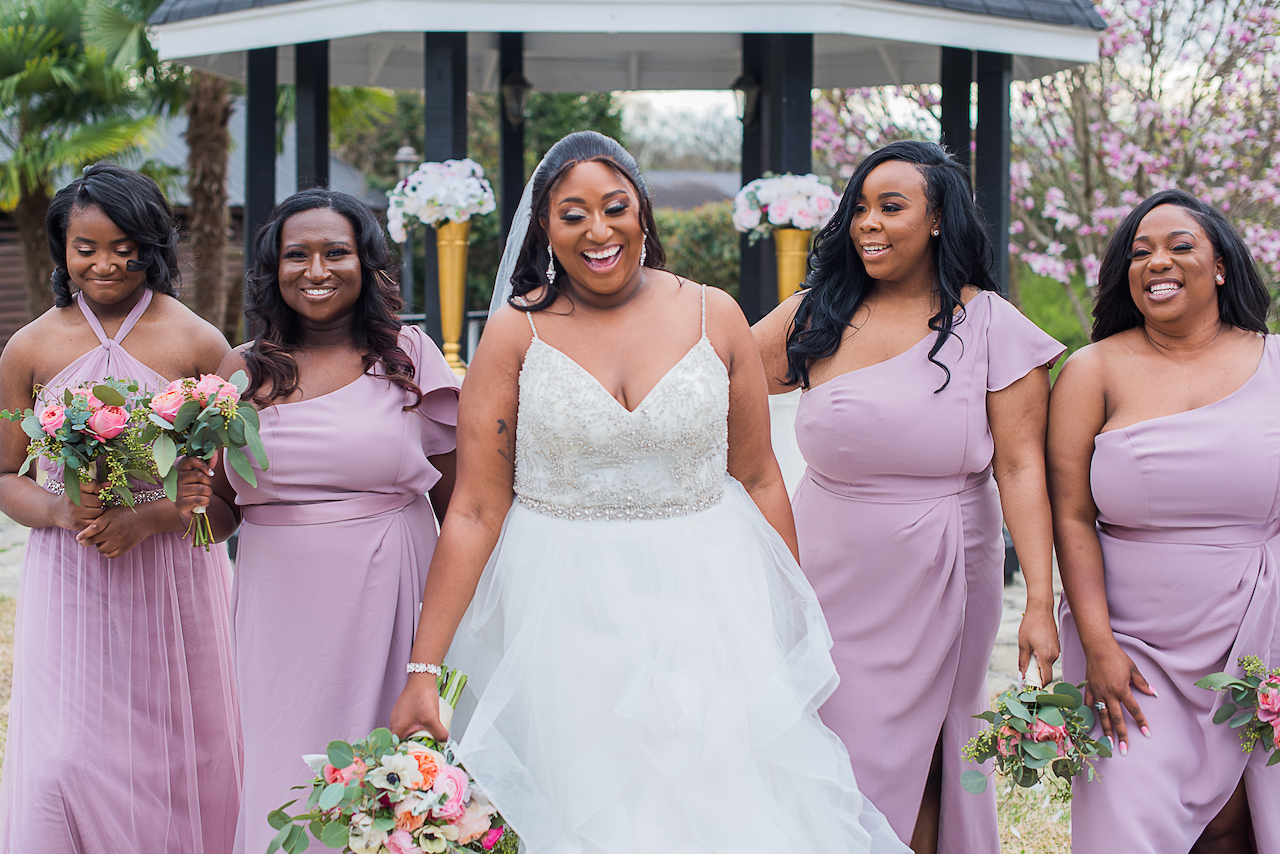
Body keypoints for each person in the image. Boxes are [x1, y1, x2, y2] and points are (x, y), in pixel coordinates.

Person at [388, 131, 909, 854]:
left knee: (716, 806)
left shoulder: (713, 315)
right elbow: (475, 507)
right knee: (579, 809)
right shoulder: (514, 333)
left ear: (643, 215)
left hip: (706, 605)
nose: (597, 231)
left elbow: (758, 476)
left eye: (614, 208)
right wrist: (424, 668)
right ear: (545, 228)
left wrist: (790, 618)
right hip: (559, 616)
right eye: (573, 214)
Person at [753, 140, 1065, 854]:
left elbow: (1022, 472)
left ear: (935, 220)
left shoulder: (991, 325)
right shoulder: (819, 314)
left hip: (941, 567)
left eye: (891, 207)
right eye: (859, 207)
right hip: (819, 564)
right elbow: (718, 384)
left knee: (918, 752)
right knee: (824, 739)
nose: (869, 222)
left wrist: (1041, 603)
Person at [173, 189, 459, 854]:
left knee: (393, 787)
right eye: (297, 255)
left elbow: (459, 504)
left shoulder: (409, 359)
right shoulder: (239, 371)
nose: (317, 269)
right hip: (279, 613)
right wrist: (187, 504)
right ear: (272, 269)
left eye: (337, 252)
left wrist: (457, 625)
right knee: (284, 771)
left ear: (367, 263)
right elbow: (216, 521)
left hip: (393, 592)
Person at [0, 164, 241, 852]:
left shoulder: (198, 343)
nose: (106, 263)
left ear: (152, 244)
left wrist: (156, 516)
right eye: (86, 248)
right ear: (62, 251)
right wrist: (55, 512)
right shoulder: (30, 346)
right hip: (68, 573)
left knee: (179, 753)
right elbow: (2, 471)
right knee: (62, 760)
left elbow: (228, 500)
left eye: (124, 245)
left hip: (171, 576)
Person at [1049, 189, 1279, 853]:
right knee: (1129, 819)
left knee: (1242, 823)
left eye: (1180, 247)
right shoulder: (1091, 371)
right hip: (1132, 644)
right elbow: (1070, 516)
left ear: (1220, 268)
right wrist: (1097, 644)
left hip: (1258, 637)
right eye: (1140, 251)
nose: (1158, 261)